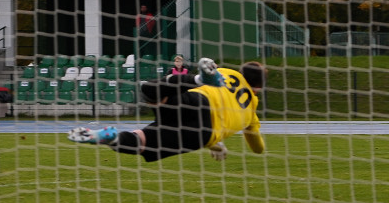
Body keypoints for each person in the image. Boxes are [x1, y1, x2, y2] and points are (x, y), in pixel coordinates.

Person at [68, 58, 266, 163]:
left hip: (195, 100)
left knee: (152, 94)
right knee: (144, 143)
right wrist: (219, 143)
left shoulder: (226, 73)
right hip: (204, 132)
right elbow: (258, 148)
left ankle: (196, 79)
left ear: (241, 73)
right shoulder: (251, 109)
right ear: (258, 88)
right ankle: (111, 138)